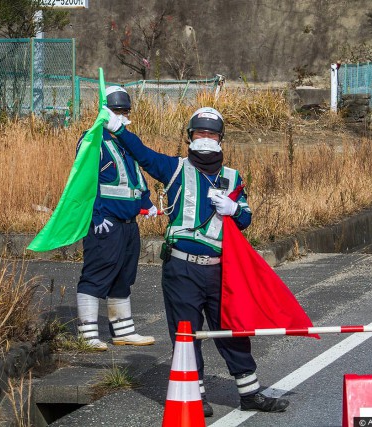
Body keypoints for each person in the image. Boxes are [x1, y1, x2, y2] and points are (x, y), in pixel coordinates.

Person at [103, 106, 289, 416]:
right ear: (190, 137)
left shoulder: (232, 176)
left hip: (219, 269)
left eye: (211, 134)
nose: (205, 139)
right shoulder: (174, 168)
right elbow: (143, 153)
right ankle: (195, 394)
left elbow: (246, 217)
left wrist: (233, 210)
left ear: (221, 139)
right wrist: (119, 129)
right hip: (181, 267)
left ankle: (250, 392)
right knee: (186, 333)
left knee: (232, 330)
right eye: (199, 133)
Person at [75, 86, 157, 351]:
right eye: (117, 111)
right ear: (105, 110)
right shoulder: (92, 140)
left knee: (124, 274)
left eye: (125, 111)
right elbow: (84, 182)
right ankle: (87, 333)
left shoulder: (126, 141)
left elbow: (136, 176)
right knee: (98, 272)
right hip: (105, 221)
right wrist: (96, 215)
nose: (122, 116)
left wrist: (147, 203)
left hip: (128, 223)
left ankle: (123, 330)